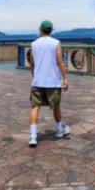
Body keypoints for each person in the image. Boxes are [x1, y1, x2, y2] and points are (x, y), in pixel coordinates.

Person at [28, 20, 70, 148]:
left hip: (38, 81)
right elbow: (59, 61)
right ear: (51, 30)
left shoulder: (34, 44)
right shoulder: (56, 43)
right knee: (56, 106)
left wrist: (34, 76)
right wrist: (65, 78)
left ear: (40, 29)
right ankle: (59, 130)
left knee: (35, 107)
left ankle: (33, 136)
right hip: (53, 81)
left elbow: (32, 63)